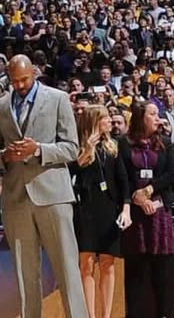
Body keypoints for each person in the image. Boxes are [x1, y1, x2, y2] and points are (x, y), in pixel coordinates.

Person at [0, 55, 86, 318]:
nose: (20, 85)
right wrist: (5, 156)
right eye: (14, 81)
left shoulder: (58, 99)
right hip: (15, 199)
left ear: (34, 72)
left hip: (54, 196)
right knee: (24, 274)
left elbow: (72, 148)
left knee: (67, 270)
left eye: (24, 79)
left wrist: (39, 149)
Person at [69, 105, 130, 318]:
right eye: (105, 118)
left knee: (108, 263)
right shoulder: (76, 146)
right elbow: (71, 173)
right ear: (94, 121)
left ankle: (106, 315)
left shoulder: (114, 146)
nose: (110, 121)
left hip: (108, 208)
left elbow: (123, 180)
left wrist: (126, 208)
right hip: (85, 209)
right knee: (86, 264)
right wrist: (87, 150)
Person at [119, 100, 174, 318]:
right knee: (135, 274)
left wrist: (149, 191)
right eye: (152, 114)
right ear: (140, 117)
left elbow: (172, 174)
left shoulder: (165, 142)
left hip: (159, 211)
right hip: (135, 213)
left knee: (161, 274)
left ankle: (163, 314)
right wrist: (137, 197)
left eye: (157, 114)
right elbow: (122, 176)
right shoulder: (124, 143)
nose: (158, 118)